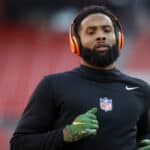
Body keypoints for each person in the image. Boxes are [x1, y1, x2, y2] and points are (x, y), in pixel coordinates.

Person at [10, 5, 150, 150]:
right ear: (76, 42)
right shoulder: (53, 85)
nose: (101, 35)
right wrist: (66, 134)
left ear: (119, 37)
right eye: (91, 32)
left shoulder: (140, 89)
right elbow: (19, 144)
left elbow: (145, 134)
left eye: (107, 30)